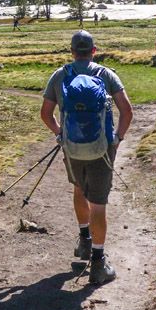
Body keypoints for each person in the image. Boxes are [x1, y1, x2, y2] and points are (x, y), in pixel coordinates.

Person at [41, 30, 134, 284]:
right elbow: (127, 111)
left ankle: (84, 241)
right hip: (102, 149)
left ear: (72, 52)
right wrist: (117, 139)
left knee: (79, 190)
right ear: (94, 50)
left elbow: (45, 114)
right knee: (99, 203)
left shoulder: (60, 76)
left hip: (72, 149)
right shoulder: (106, 74)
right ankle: (98, 262)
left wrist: (60, 134)